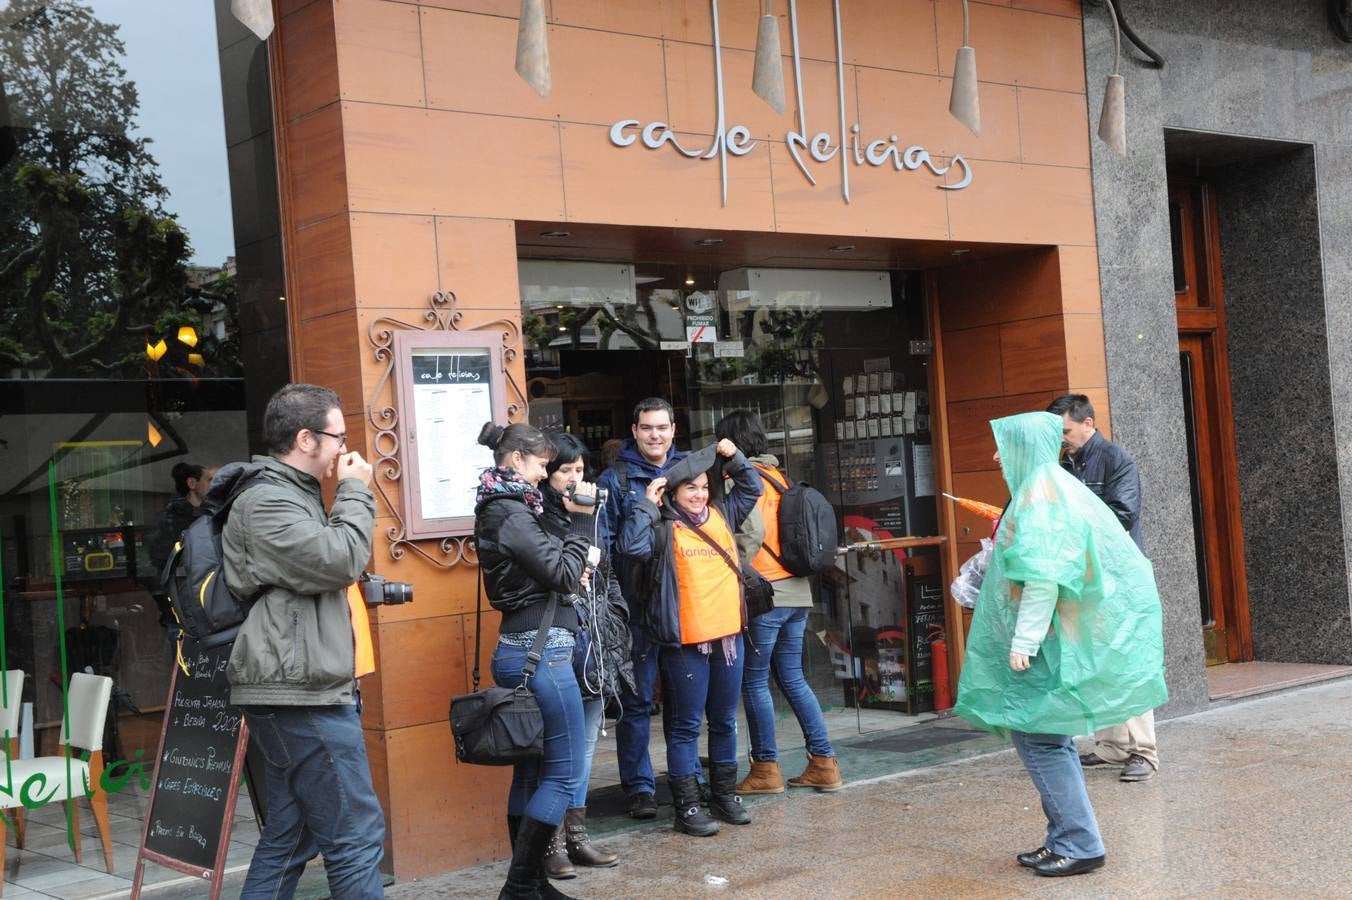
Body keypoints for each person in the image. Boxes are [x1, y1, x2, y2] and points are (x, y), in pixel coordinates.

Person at [954, 411, 1167, 878]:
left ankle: (1080, 842)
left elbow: (1043, 578)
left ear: (1024, 447)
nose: (994, 455)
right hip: (1053, 637)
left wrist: (1023, 641)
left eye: (1002, 445)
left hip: (1044, 642)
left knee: (1042, 741)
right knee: (1047, 739)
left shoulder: (1040, 495)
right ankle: (1062, 837)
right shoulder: (1050, 485)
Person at [221, 384, 385, 899]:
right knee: (356, 835)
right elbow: (340, 558)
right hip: (300, 693)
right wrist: (357, 491)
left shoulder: (295, 495)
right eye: (337, 436)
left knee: (294, 834)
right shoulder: (267, 501)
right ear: (306, 438)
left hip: (303, 685)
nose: (344, 449)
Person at [474, 421, 596, 900]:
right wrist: (583, 518)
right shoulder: (509, 512)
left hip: (523, 652)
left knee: (530, 772)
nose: (548, 474)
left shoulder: (510, 507)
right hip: (540, 657)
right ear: (517, 459)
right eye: (543, 464)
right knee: (564, 773)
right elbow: (565, 575)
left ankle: (532, 882)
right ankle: (521, 884)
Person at [618, 439, 762, 837]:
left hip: (728, 637)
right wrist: (648, 503)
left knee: (724, 721)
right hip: (684, 643)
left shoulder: (722, 513)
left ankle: (724, 795)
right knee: (684, 727)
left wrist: (734, 457)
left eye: (703, 487)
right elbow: (629, 547)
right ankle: (688, 806)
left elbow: (752, 487)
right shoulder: (662, 526)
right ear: (673, 494)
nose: (699, 495)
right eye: (689, 489)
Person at [714, 411, 843, 796]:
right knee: (793, 678)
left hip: (766, 596)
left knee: (754, 682)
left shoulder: (742, 479)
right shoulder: (780, 477)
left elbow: (750, 532)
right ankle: (823, 763)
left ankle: (765, 769)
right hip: (798, 593)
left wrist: (728, 564)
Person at [537, 432, 634, 880]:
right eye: (565, 472)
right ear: (546, 475)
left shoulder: (594, 514)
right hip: (557, 641)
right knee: (557, 748)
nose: (575, 479)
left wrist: (613, 618)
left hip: (595, 642)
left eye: (580, 471)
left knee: (586, 745)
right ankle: (550, 842)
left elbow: (608, 571)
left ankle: (578, 835)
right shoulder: (537, 517)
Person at [1047, 394, 1158, 782]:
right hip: (1086, 575)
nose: (1062, 439)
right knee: (1099, 661)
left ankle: (1143, 752)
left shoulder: (1116, 459)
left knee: (1129, 661)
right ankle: (1112, 745)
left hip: (1120, 575)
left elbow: (1123, 516)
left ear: (1088, 423)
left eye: (1065, 430)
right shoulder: (1064, 462)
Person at [595, 398, 687, 820]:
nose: (655, 435)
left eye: (662, 427)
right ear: (634, 430)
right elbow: (606, 547)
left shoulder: (688, 470)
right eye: (647, 428)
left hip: (685, 603)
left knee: (685, 701)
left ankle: (686, 780)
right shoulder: (615, 480)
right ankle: (640, 789)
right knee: (636, 707)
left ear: (673, 429)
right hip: (635, 610)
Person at [147, 461, 216, 628]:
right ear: (192, 483)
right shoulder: (172, 521)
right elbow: (161, 562)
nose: (217, 484)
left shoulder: (212, 514)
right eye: (211, 479)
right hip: (187, 609)